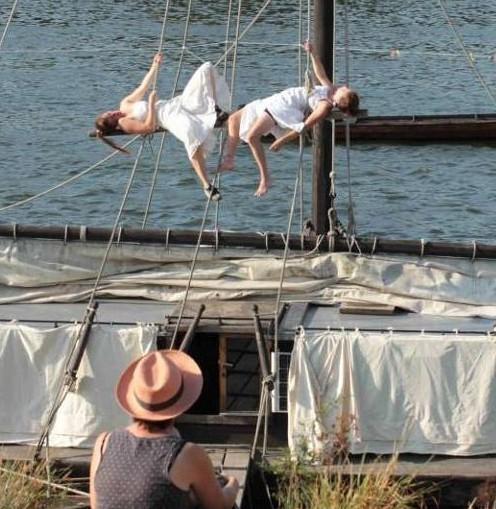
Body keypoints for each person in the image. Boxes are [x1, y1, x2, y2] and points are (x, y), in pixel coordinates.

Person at [89, 350, 240, 509]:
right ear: (180, 406)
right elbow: (219, 506)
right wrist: (233, 484)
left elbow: (95, 505)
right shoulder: (188, 454)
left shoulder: (104, 442)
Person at [220, 41, 360, 197]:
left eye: (346, 90)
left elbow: (304, 126)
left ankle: (265, 179)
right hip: (276, 99)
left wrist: (282, 141)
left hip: (283, 109)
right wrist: (312, 53)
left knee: (253, 137)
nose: (345, 86)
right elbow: (321, 75)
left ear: (341, 100)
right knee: (234, 119)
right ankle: (229, 159)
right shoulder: (332, 90)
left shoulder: (324, 106)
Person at [95, 54, 231, 201]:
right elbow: (149, 127)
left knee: (206, 69)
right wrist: (152, 104)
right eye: (112, 116)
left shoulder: (125, 104)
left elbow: (143, 86)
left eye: (110, 112)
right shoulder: (125, 123)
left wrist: (155, 65)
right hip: (167, 116)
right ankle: (207, 185)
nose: (115, 112)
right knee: (190, 135)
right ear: (114, 123)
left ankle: (216, 109)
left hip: (174, 104)